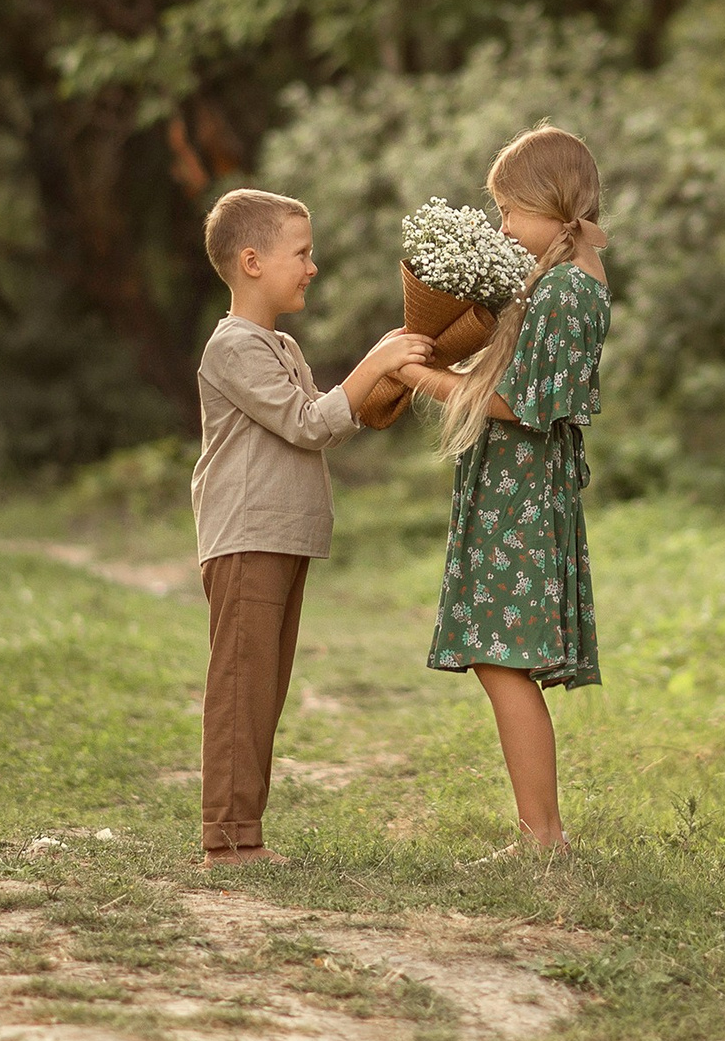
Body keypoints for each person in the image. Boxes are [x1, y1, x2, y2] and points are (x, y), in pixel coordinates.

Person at [191, 188, 428, 865]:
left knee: (263, 687)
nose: (312, 266)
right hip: (247, 536)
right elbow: (307, 421)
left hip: (283, 535)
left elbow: (324, 421)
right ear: (252, 261)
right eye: (302, 252)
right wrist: (375, 364)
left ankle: (244, 833)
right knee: (241, 686)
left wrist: (393, 370)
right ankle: (229, 840)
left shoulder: (281, 344)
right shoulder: (234, 346)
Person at [397, 126, 610, 855]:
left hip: (520, 493)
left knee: (501, 656)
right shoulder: (561, 282)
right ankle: (541, 833)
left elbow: (521, 404)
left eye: (511, 210)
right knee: (500, 656)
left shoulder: (566, 289)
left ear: (552, 207)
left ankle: (542, 837)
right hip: (513, 487)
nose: (503, 227)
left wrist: (420, 375)